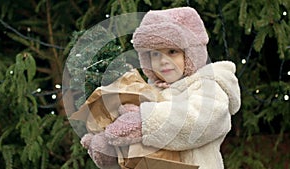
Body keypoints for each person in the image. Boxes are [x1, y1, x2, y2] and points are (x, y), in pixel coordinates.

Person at [81, 6, 241, 169]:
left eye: (172, 51)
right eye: (155, 54)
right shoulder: (148, 91)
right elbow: (140, 149)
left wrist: (143, 122)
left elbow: (199, 121)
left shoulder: (208, 85)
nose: (163, 61)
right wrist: (109, 145)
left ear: (192, 54)